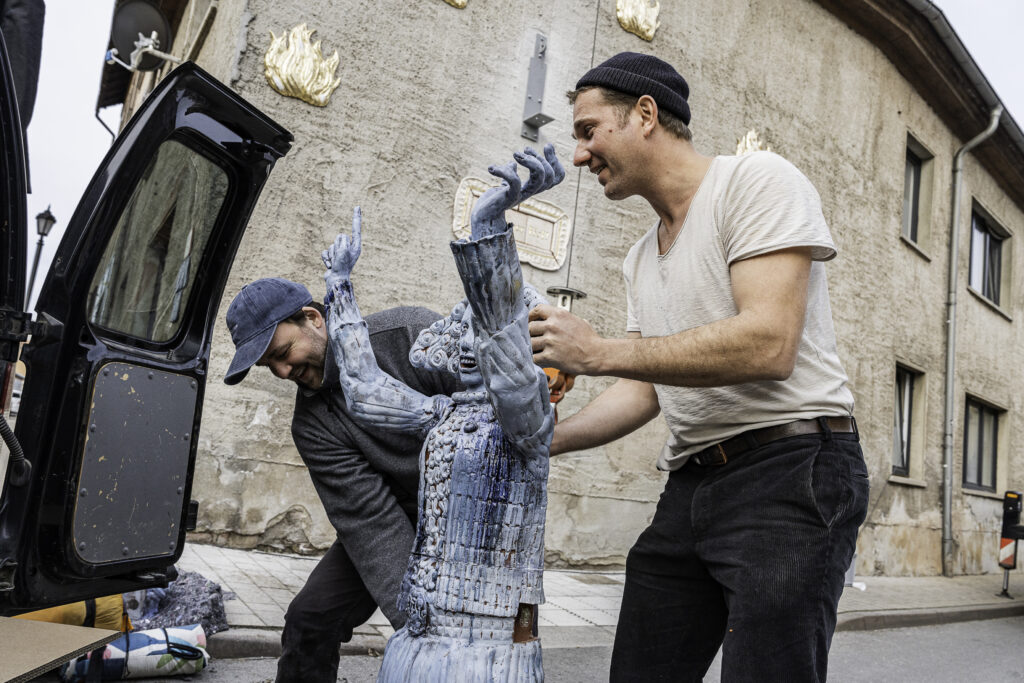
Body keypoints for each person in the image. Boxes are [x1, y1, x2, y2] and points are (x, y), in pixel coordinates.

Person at [528, 52, 869, 682]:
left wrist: (597, 352)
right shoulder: (639, 258)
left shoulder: (756, 181)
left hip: (792, 470)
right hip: (692, 483)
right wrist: (545, 440)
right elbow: (645, 389)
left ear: (645, 115)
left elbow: (769, 343)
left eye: (588, 130)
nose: (579, 155)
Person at [318, 145, 563, 682]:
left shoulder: (526, 424)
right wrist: (340, 289)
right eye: (467, 325)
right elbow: (364, 391)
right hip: (426, 620)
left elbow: (509, 364)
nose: (473, 336)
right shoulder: (443, 413)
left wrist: (485, 231)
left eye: (485, 327)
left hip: (492, 637)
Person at [223, 277, 456, 683]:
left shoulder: (410, 335)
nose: (282, 372)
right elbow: (370, 522)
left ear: (312, 318)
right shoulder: (311, 426)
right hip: (396, 511)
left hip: (476, 509)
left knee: (499, 633)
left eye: (282, 353)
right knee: (310, 617)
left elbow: (495, 413)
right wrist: (417, 626)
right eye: (269, 366)